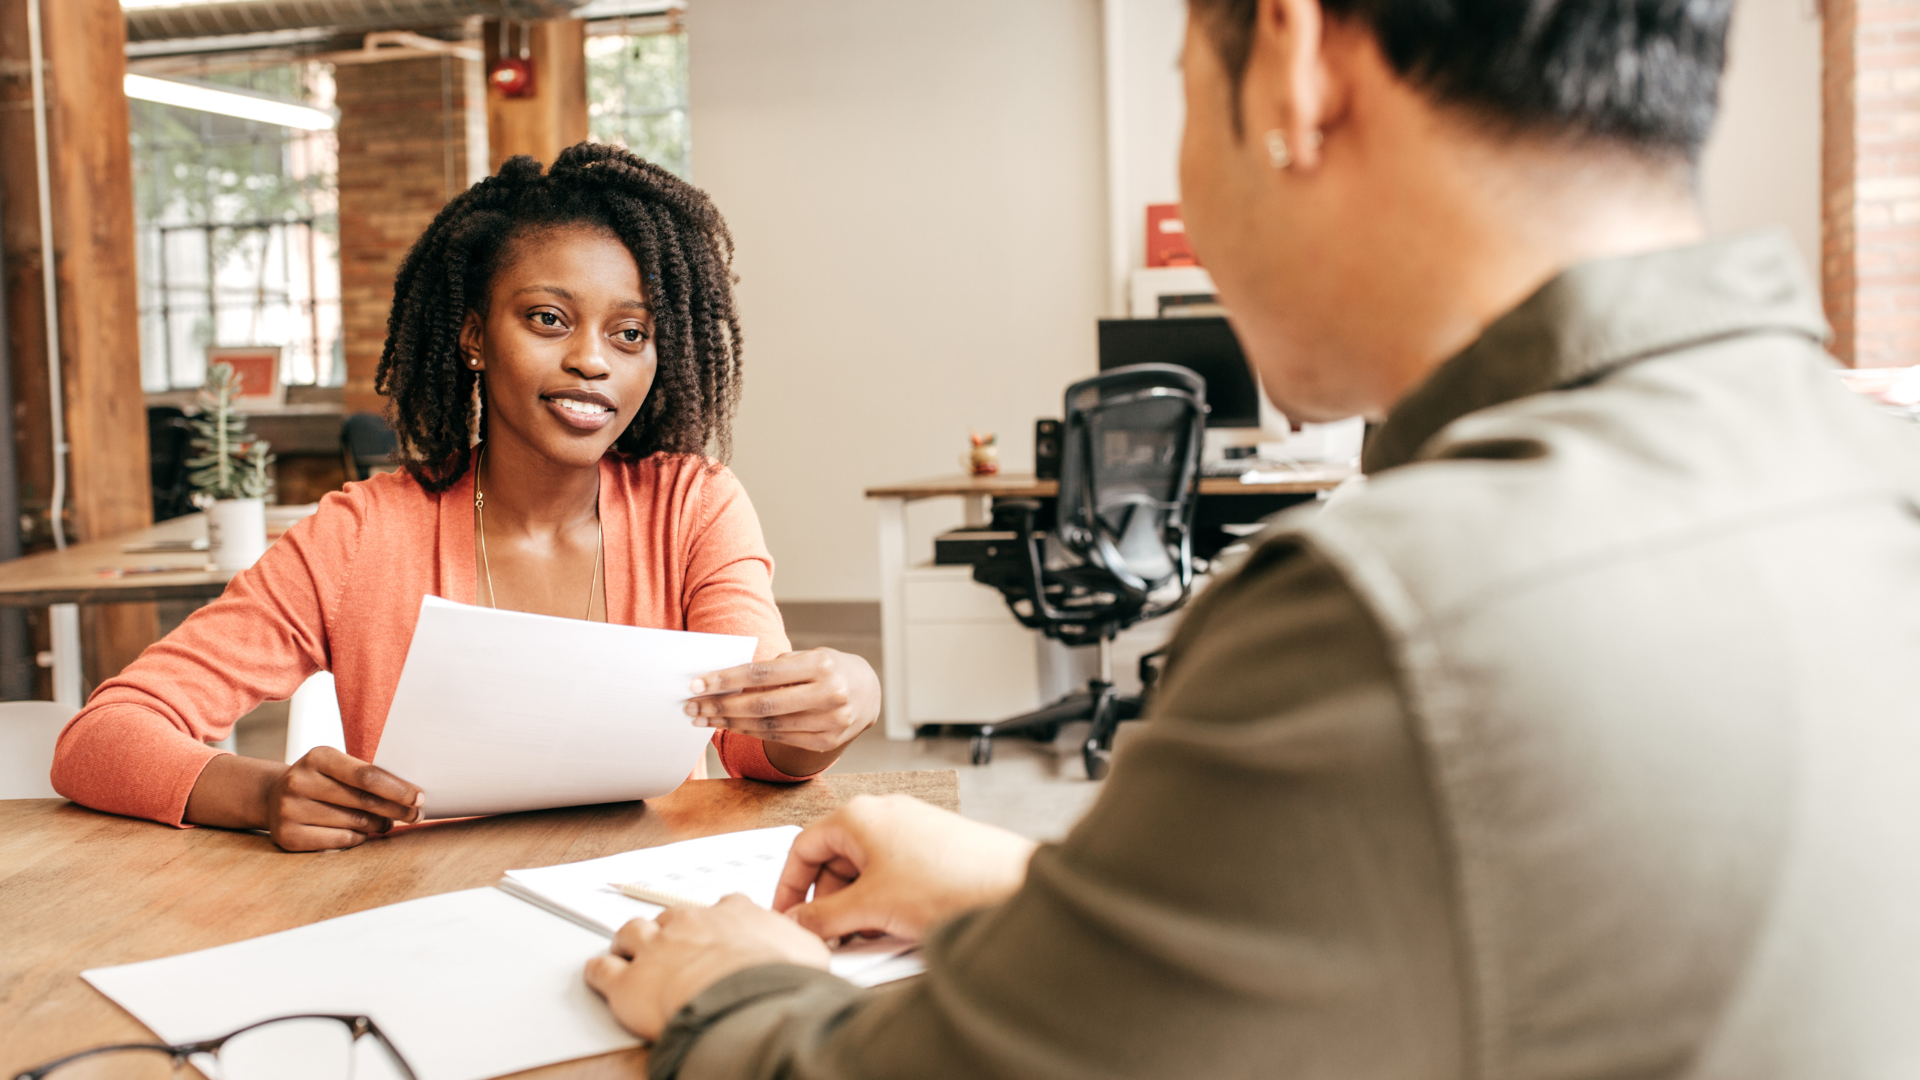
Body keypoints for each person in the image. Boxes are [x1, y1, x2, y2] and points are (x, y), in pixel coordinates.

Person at [580, 0, 1920, 1075]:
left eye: (1178, 79)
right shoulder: (1863, 475)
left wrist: (739, 991)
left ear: (1287, 58)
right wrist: (1045, 888)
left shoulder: (1390, 620)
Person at [51, 143, 880, 852]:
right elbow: (100, 739)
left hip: (646, 908)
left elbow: (752, 744)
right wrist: (263, 795)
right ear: (475, 335)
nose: (594, 361)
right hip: (420, 911)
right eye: (549, 319)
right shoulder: (362, 536)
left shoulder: (693, 507)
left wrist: (839, 707)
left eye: (631, 333)